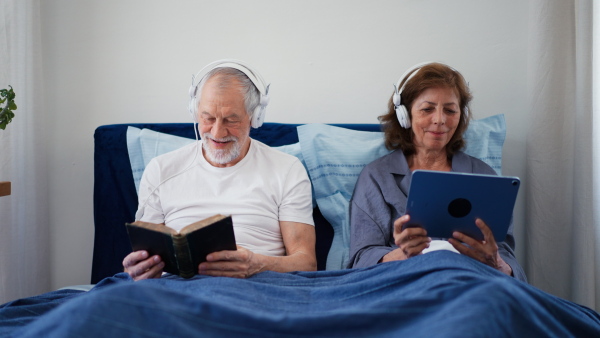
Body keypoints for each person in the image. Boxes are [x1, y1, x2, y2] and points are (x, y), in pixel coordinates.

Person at [123, 60, 316, 280]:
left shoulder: (287, 169)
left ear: (255, 118)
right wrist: (140, 270)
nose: (217, 132)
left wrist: (257, 264)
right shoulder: (160, 170)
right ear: (194, 112)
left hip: (257, 286)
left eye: (231, 120)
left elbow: (306, 262)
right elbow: (144, 260)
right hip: (177, 291)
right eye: (208, 118)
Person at [347, 62, 527, 282]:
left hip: (472, 285)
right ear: (404, 114)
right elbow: (360, 259)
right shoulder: (377, 176)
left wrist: (497, 263)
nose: (440, 120)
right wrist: (403, 254)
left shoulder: (484, 176)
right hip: (405, 285)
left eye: (450, 110)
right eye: (427, 109)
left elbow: (507, 257)